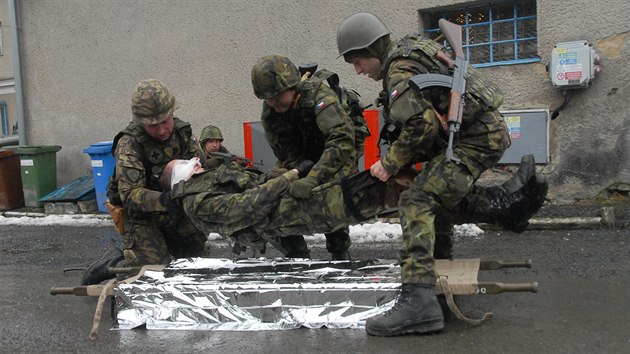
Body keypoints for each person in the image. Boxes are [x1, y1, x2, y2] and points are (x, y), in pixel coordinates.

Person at [336, 12, 546, 336]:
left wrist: (389, 163)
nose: (358, 70)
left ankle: (418, 300)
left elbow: (422, 126)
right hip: (479, 134)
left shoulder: (399, 69)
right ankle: (442, 275)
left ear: (373, 50)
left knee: (415, 201)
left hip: (475, 139)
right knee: (435, 196)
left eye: (358, 61)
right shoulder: (407, 52)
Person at [160, 155, 545, 252]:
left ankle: (500, 203)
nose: (195, 161)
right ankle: (500, 206)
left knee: (403, 185)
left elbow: (257, 184)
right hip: (309, 210)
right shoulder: (199, 203)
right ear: (180, 178)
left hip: (310, 199)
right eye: (186, 164)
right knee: (399, 187)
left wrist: (289, 174)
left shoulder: (210, 179)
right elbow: (245, 209)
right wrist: (291, 177)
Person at [81, 79, 208, 285]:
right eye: (152, 126)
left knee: (196, 266)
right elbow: (130, 195)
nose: (161, 131)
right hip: (142, 216)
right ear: (142, 123)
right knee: (152, 274)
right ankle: (119, 264)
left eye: (165, 122)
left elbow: (203, 168)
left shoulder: (183, 135)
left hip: (177, 212)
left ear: (171, 113)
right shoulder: (129, 144)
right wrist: (166, 200)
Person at [250, 54, 358, 260]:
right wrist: (298, 172)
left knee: (332, 193)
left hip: (336, 153)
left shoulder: (320, 97)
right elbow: (284, 150)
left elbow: (342, 141)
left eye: (277, 95)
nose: (273, 102)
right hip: (303, 156)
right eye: (267, 98)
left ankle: (339, 250)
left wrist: (314, 177)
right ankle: (296, 253)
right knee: (278, 186)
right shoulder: (271, 112)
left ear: (291, 86)